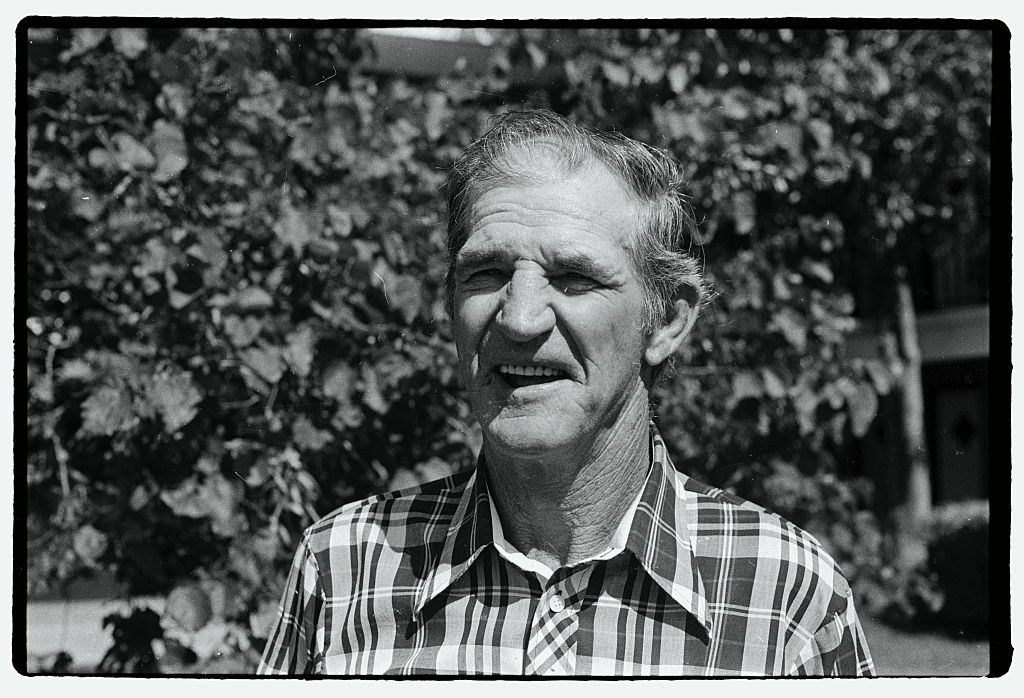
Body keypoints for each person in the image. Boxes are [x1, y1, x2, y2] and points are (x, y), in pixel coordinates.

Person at [257, 109, 875, 676]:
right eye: (488, 272)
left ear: (665, 322)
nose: (519, 318)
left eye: (574, 277)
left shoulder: (784, 596)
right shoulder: (343, 570)